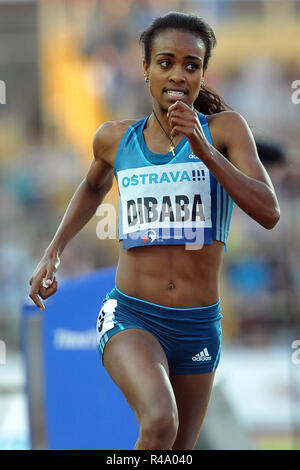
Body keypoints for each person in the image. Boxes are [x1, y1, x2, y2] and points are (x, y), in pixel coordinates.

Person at [29, 12, 280, 450]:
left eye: (191, 64)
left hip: (199, 326)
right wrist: (54, 251)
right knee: (160, 421)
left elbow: (268, 210)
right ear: (145, 68)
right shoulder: (114, 139)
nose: (178, 74)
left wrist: (203, 150)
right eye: (165, 62)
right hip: (132, 316)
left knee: (176, 450)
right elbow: (91, 187)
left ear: (203, 72)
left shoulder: (224, 131)